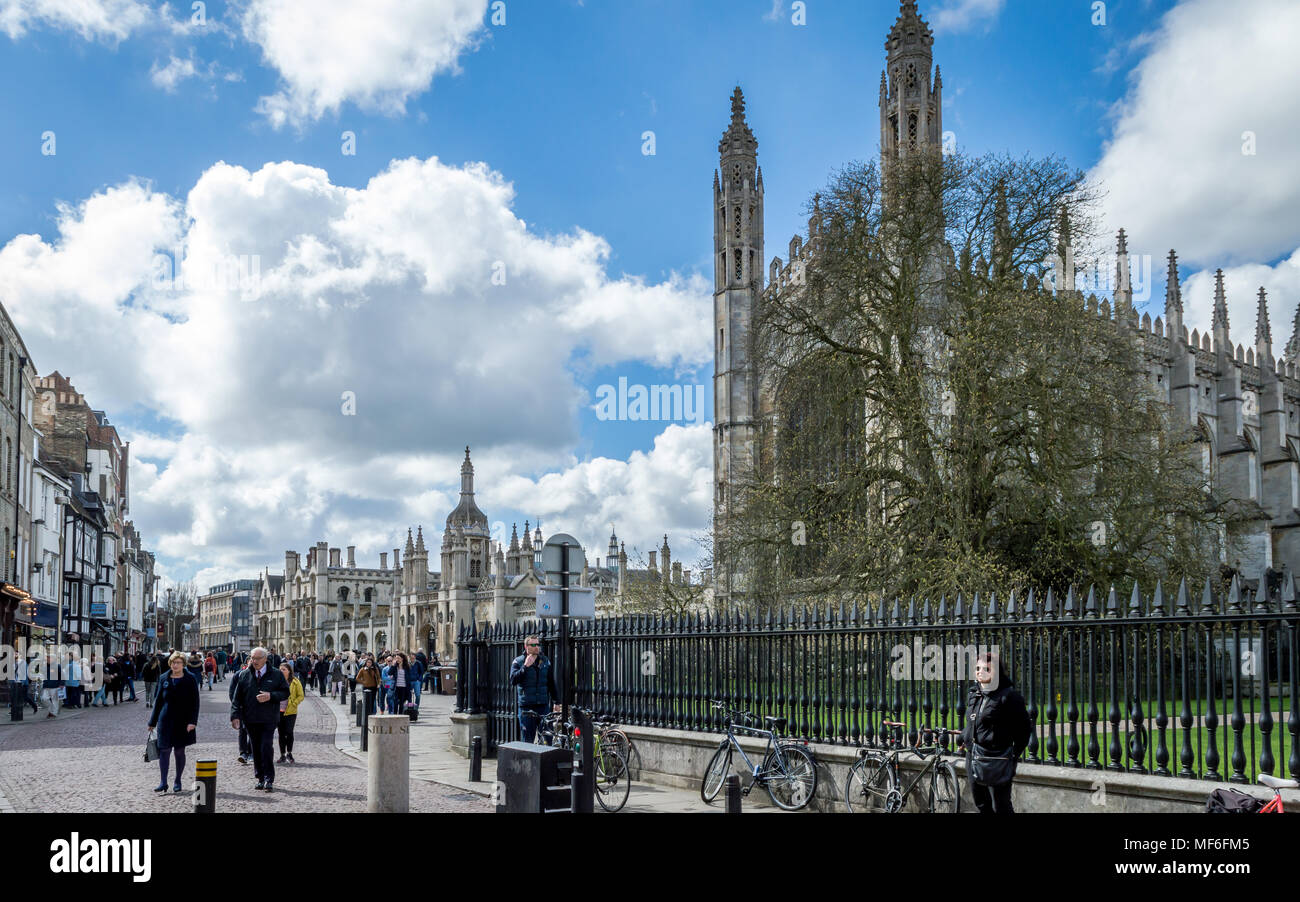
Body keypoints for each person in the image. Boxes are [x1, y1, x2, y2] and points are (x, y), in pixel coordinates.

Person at [959, 650, 1033, 814]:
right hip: (974, 756)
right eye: (978, 668)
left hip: (997, 757)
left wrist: (1014, 753)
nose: (980, 672)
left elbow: (1024, 729)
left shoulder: (1009, 697)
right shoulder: (974, 694)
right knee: (981, 803)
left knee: (1000, 805)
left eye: (986, 669)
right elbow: (972, 722)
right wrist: (964, 737)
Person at [229, 646, 289, 792]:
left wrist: (270, 696)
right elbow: (237, 698)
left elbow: (285, 692)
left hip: (269, 718)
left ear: (265, 659)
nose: (253, 661)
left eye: (257, 658)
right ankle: (260, 778)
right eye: (252, 658)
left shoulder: (276, 674)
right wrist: (235, 716)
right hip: (250, 718)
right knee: (255, 749)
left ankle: (269, 779)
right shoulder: (244, 675)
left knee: (266, 747)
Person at [148, 652, 200, 793]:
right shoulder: (164, 677)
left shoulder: (190, 679)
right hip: (165, 720)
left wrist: (192, 722)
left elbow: (195, 702)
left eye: (178, 662)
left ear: (183, 664)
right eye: (173, 662)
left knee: (179, 751)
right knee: (164, 750)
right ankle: (163, 782)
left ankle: (177, 780)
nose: (175, 665)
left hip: (183, 721)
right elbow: (158, 701)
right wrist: (152, 721)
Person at [509, 636, 561, 743]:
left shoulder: (545, 661)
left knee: (548, 738)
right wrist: (525, 666)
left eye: (537, 644)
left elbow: (551, 682)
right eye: (533, 645)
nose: (536, 647)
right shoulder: (518, 661)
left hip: (543, 706)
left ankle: (546, 759)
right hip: (526, 708)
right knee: (528, 740)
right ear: (526, 646)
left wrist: (556, 701)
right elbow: (513, 680)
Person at [276, 662, 304, 764]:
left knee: (289, 732)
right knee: (281, 733)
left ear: (289, 671)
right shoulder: (277, 681)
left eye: (283, 669)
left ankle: (289, 753)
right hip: (278, 711)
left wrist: (294, 703)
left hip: (291, 711)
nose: (281, 671)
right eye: (280, 669)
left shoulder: (295, 682)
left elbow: (301, 695)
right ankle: (282, 754)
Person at [229, 657, 252, 765]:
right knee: (242, 731)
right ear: (247, 662)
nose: (253, 662)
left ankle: (251, 752)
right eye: (251, 660)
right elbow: (232, 692)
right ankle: (243, 753)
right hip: (242, 708)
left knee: (253, 731)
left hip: (255, 709)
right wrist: (236, 706)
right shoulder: (239, 674)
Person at [41, 652, 64, 718]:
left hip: (55, 686)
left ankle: (54, 713)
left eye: (49, 658)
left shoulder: (58, 666)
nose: (47, 659)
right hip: (46, 685)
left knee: (55, 701)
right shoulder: (45, 666)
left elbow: (62, 676)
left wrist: (62, 684)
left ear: (53, 659)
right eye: (47, 658)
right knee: (44, 698)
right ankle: (51, 710)